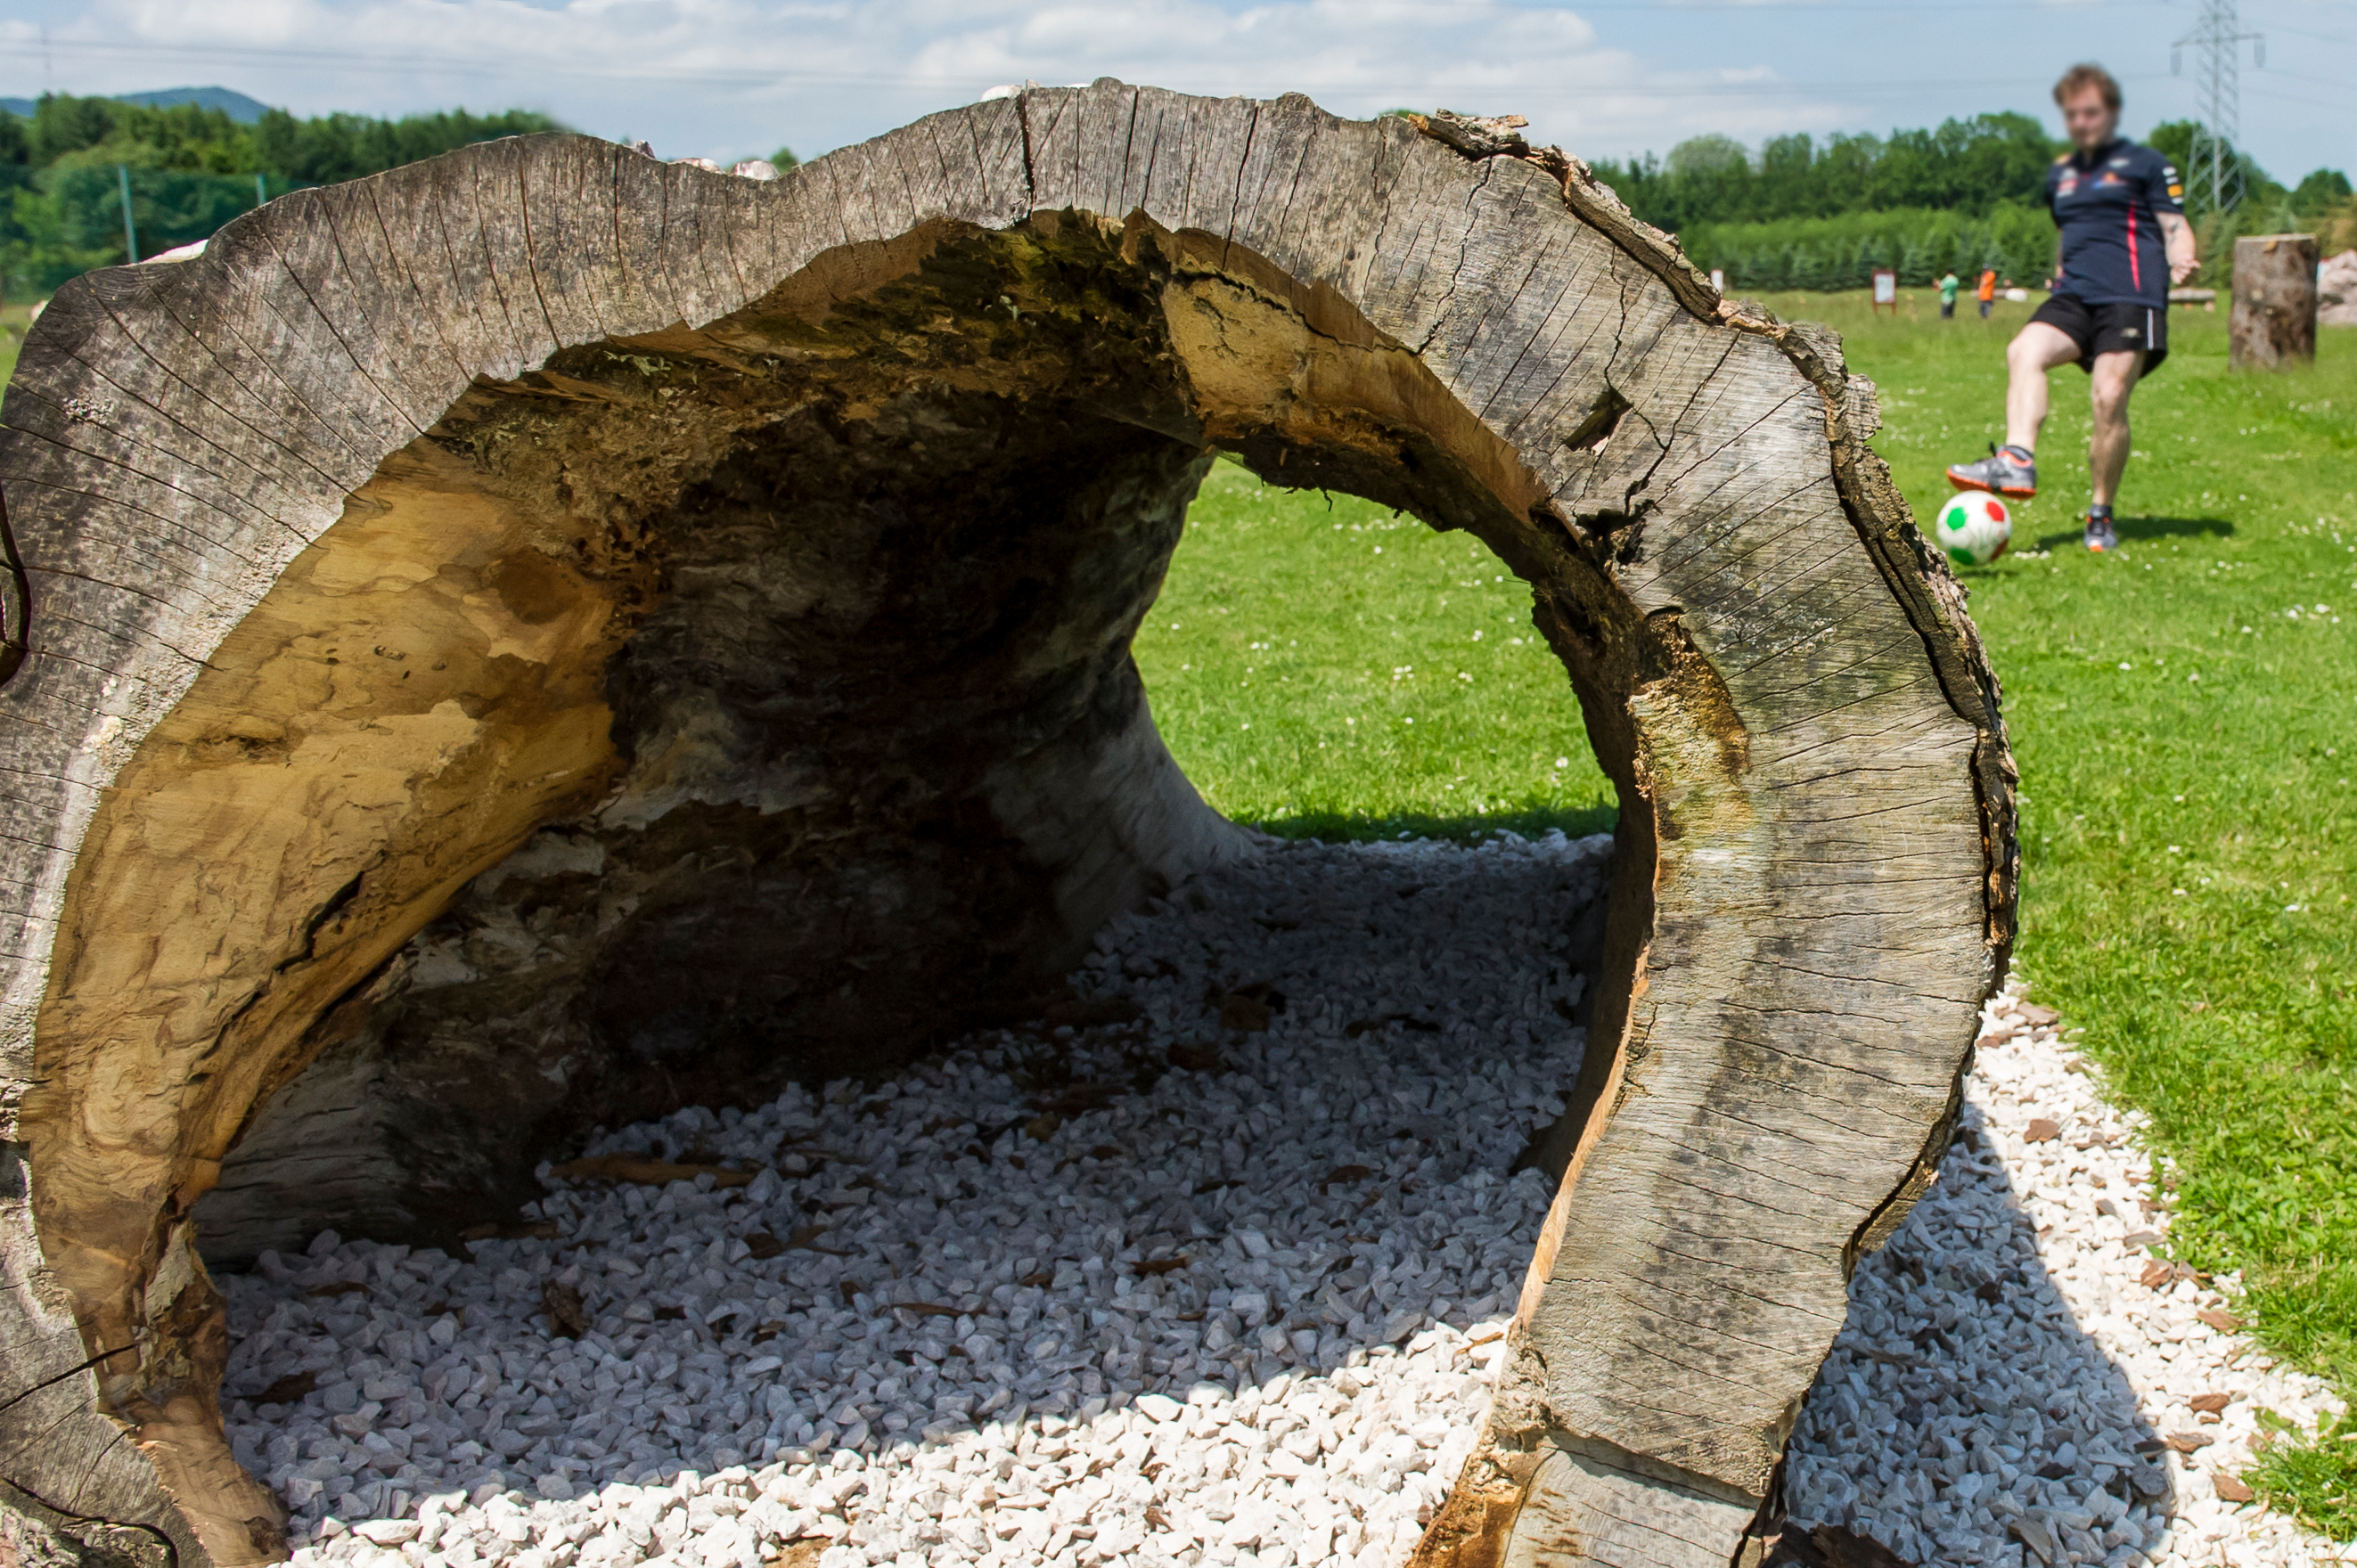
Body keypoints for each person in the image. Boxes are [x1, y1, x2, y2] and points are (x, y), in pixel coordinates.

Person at [1945, 62, 2197, 551]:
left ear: (2110, 112)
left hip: (2132, 295)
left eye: (2091, 111)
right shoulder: (2061, 174)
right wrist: (2057, 275)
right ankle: (2018, 457)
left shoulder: (2146, 163)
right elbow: (2068, 235)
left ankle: (2100, 512)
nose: (2082, 121)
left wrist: (2182, 254)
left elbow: (2172, 222)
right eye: (2073, 113)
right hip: (2075, 293)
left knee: (2108, 399)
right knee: (2025, 351)